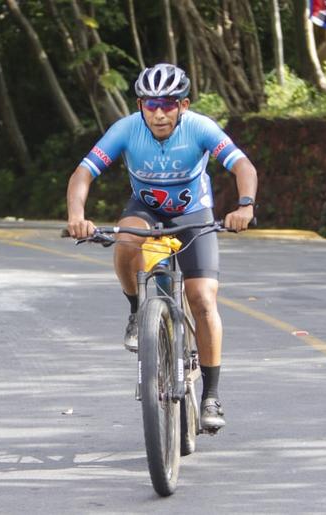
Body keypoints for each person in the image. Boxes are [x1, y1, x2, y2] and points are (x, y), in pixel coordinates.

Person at [66, 63, 258, 430]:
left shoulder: (200, 127)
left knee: (202, 299)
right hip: (146, 210)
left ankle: (211, 396)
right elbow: (83, 173)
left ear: (183, 106)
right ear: (140, 105)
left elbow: (243, 166)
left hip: (194, 214)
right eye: (151, 104)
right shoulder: (126, 129)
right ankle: (138, 311)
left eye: (168, 104)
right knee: (125, 237)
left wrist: (245, 205)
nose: (158, 113)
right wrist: (77, 215)